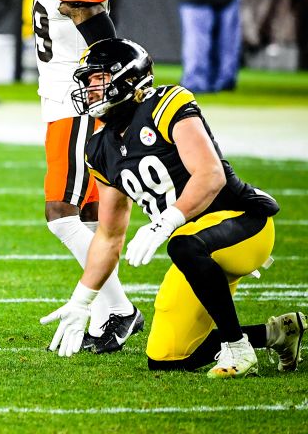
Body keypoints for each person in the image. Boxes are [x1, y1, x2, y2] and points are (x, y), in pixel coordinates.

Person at [43, 38, 302, 377]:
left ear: (127, 78)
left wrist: (164, 223)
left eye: (98, 79)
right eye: (87, 81)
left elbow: (210, 176)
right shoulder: (101, 147)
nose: (90, 89)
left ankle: (237, 348)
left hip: (243, 224)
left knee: (183, 243)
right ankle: (278, 333)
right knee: (167, 357)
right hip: (194, 247)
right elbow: (108, 237)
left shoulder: (167, 104)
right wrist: (82, 300)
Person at [3, 0, 141, 353]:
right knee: (82, 217)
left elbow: (107, 49)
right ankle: (117, 313)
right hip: (61, 103)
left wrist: (107, 108)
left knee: (60, 213)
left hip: (74, 106)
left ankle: (119, 310)